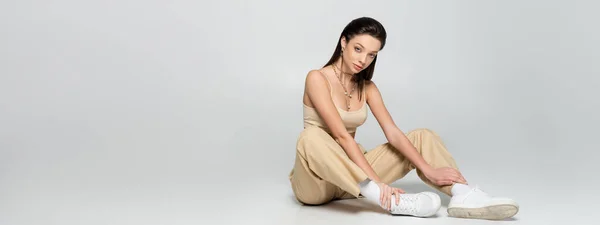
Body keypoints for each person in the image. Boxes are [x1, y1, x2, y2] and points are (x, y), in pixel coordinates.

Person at [288, 17, 519, 220]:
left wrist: (428, 169)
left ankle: (462, 194)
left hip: (352, 182)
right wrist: (378, 182)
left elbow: (393, 132)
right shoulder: (317, 78)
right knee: (310, 137)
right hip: (316, 184)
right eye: (358, 49)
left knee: (422, 136)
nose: (363, 60)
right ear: (344, 42)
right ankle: (387, 199)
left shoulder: (367, 87)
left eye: (371, 54)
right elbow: (340, 136)